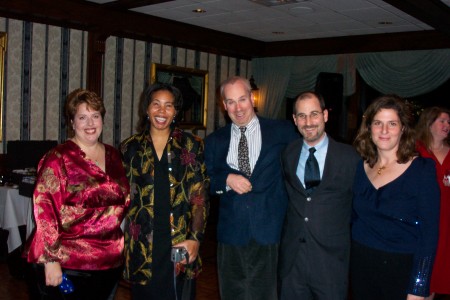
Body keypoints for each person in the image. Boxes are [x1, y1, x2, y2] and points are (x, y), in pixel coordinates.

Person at [25, 88, 131, 299]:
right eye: (82, 117)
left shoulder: (114, 155)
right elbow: (45, 209)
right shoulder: (58, 158)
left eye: (95, 116)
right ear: (72, 123)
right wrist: (51, 259)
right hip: (69, 263)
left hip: (110, 262)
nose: (90, 124)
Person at [204, 76, 298, 300]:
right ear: (224, 105)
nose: (238, 108)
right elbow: (204, 180)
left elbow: (304, 160)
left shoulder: (282, 131)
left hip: (270, 230)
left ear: (252, 99)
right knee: (232, 293)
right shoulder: (215, 140)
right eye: (231, 102)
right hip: (231, 232)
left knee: (268, 294)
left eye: (242, 99)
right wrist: (226, 179)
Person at [120, 83, 209, 300]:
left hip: (179, 240)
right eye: (156, 104)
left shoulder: (191, 145)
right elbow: (121, 196)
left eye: (168, 106)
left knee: (178, 293)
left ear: (176, 111)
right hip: (142, 243)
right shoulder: (130, 147)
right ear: (147, 109)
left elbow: (199, 196)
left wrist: (194, 237)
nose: (162, 111)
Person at [351, 94, 440, 300]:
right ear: (369, 128)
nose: (384, 131)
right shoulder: (359, 167)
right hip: (362, 267)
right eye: (378, 123)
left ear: (402, 129)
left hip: (401, 270)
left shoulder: (422, 170)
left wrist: (418, 288)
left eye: (392, 123)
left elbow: (429, 236)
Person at [278, 91, 360, 300]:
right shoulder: (288, 153)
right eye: (302, 116)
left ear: (325, 115)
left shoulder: (349, 157)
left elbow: (359, 207)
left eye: (314, 114)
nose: (308, 122)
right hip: (293, 262)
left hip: (331, 263)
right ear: (295, 120)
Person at [415, 106, 450, 300]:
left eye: (449, 122)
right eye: (442, 121)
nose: (447, 125)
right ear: (429, 124)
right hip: (424, 219)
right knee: (425, 271)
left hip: (447, 219)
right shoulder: (416, 151)